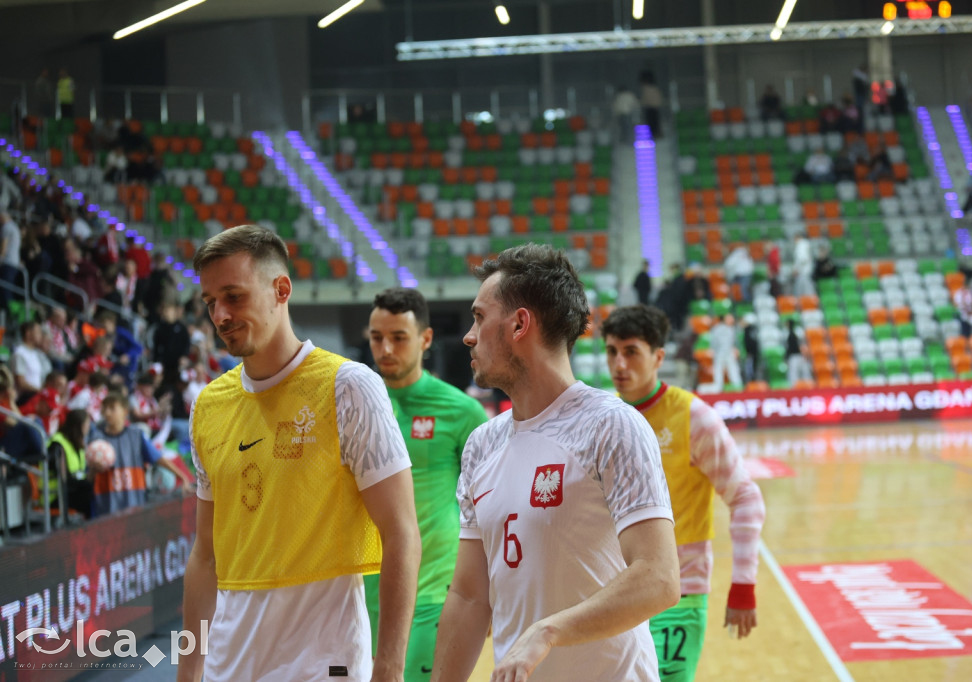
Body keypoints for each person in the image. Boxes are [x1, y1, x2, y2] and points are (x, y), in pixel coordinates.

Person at [180, 225, 421, 682]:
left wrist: (389, 667)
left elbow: (401, 532)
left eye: (233, 295)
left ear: (281, 289)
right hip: (228, 666)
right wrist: (189, 666)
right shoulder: (207, 406)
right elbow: (205, 556)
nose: (220, 315)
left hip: (322, 663)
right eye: (210, 302)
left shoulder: (348, 387)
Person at [431, 244, 678, 681]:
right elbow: (470, 597)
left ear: (520, 324)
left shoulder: (611, 425)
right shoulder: (481, 445)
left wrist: (548, 632)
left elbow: (658, 578)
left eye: (479, 317)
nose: (469, 336)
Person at [602, 305, 765, 682]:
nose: (619, 364)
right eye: (612, 351)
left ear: (658, 357)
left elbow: (745, 498)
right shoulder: (603, 416)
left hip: (678, 593)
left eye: (631, 352)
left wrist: (743, 583)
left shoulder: (695, 417)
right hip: (614, 594)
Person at [366, 287, 489, 680]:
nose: (386, 349)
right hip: (360, 594)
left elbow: (489, 505)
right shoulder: (355, 404)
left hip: (432, 591)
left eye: (399, 338)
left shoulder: (462, 411)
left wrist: (489, 594)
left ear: (426, 339)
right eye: (376, 338)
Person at [89, 391, 192, 517]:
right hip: (107, 507)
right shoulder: (97, 440)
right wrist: (95, 469)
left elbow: (158, 458)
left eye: (112, 408)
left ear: (125, 411)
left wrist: (182, 477)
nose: (107, 413)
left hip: (135, 505)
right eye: (104, 409)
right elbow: (89, 476)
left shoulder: (136, 435)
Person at [46, 408, 92, 519]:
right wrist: (88, 480)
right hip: (55, 496)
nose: (89, 428)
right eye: (87, 424)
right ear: (79, 425)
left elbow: (78, 474)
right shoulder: (57, 444)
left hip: (71, 490)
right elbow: (65, 478)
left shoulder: (77, 443)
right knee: (91, 493)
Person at [13, 320, 53, 405]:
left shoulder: (35, 353)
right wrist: (40, 391)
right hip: (22, 398)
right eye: (38, 332)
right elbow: (21, 382)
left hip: (33, 396)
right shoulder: (20, 353)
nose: (41, 335)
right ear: (28, 333)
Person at [708, 314, 742, 391]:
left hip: (729, 352)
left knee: (733, 369)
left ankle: (737, 386)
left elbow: (734, 342)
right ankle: (718, 387)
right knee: (718, 370)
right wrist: (715, 351)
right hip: (720, 353)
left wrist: (735, 349)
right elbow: (713, 343)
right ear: (724, 319)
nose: (732, 320)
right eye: (729, 318)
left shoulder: (731, 329)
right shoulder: (717, 329)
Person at [785, 319, 813, 386]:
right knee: (800, 373)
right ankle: (804, 386)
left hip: (796, 356)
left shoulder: (794, 334)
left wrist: (804, 354)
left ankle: (803, 386)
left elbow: (801, 346)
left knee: (795, 373)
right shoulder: (792, 333)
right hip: (797, 356)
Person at [640, 69, 664, 139]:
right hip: (652, 107)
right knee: (653, 122)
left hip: (651, 108)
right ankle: (655, 134)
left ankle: (656, 134)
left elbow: (645, 99)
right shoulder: (652, 88)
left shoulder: (648, 88)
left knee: (654, 122)